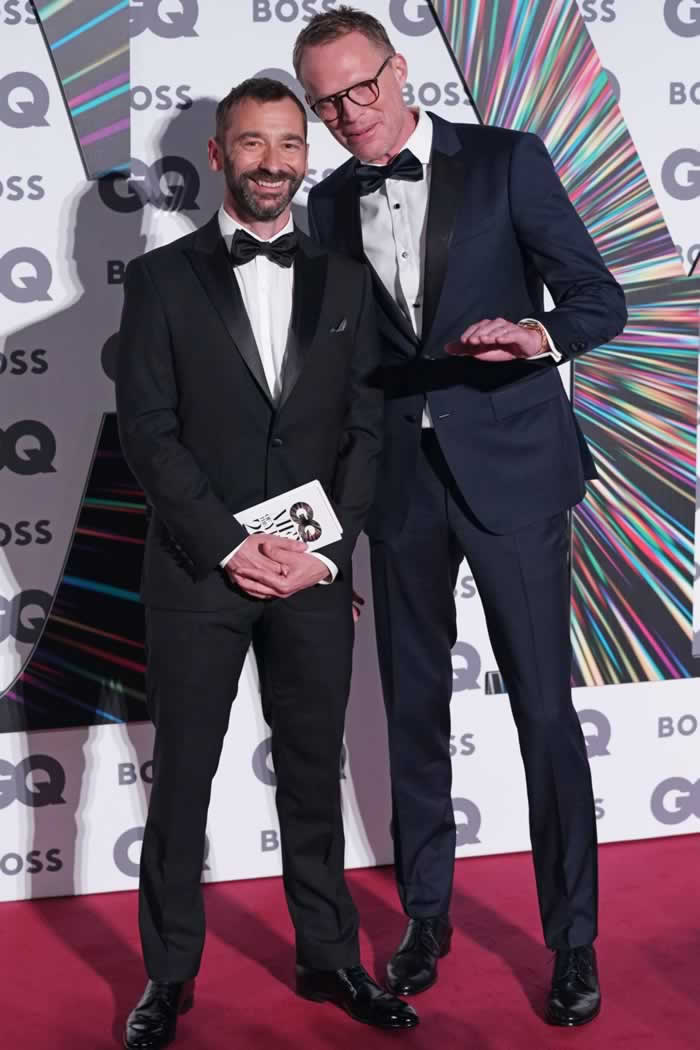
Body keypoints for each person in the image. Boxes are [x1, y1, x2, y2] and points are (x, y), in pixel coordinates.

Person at [295, 7, 627, 1028]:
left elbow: (598, 300)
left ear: (399, 72)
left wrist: (533, 335)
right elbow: (336, 377)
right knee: (411, 710)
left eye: (361, 88)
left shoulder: (505, 161)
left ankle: (572, 939)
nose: (349, 113)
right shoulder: (326, 206)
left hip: (513, 471)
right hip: (398, 485)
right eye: (325, 102)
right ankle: (426, 918)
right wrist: (327, 527)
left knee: (542, 710)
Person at [116, 77, 418, 1048]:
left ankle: (328, 956)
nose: (272, 162)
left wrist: (324, 555)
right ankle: (168, 977)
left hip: (312, 578)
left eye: (289, 143)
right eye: (251, 143)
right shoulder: (160, 281)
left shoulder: (346, 280)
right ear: (217, 156)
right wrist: (228, 543)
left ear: (307, 156)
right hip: (196, 574)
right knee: (183, 781)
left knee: (312, 774)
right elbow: (148, 432)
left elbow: (364, 431)